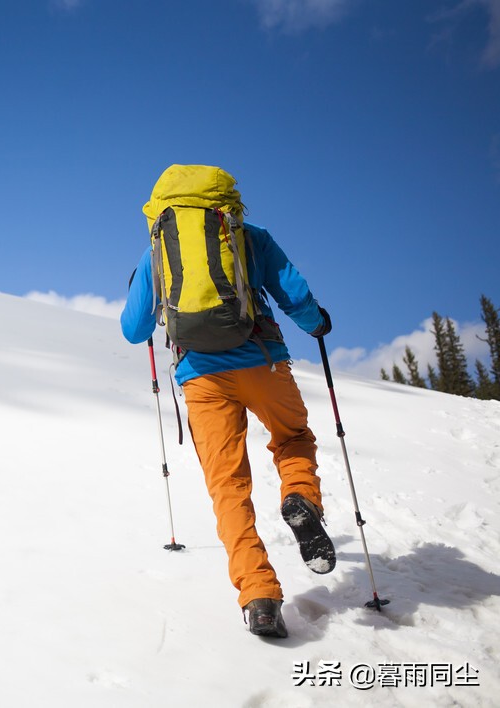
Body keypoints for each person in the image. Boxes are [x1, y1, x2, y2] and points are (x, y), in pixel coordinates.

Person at [120, 164, 335, 638]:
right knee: (293, 437)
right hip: (263, 362)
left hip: (202, 378)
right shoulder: (248, 235)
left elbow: (134, 330)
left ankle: (259, 597)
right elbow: (292, 292)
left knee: (228, 487)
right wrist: (316, 322)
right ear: (225, 200)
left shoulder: (158, 250)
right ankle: (300, 498)